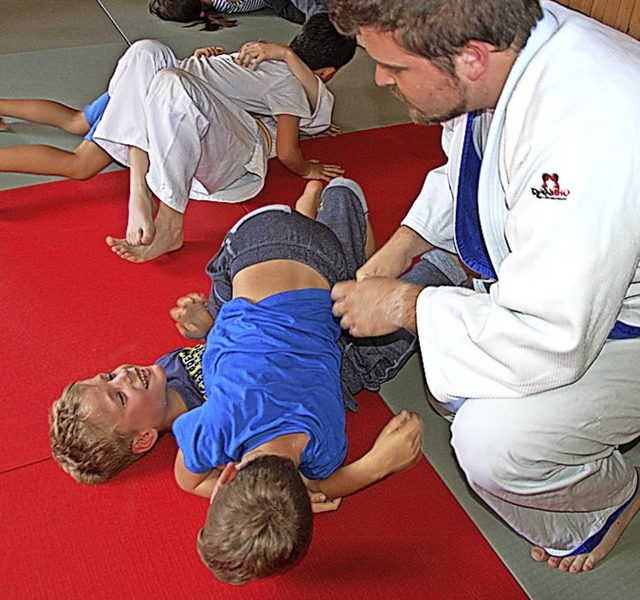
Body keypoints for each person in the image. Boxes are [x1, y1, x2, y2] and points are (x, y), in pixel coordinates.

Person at [329, 0, 640, 574]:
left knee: (494, 446)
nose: (377, 78)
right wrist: (403, 245)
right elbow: (473, 168)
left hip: (612, 317)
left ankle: (609, 497)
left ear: (471, 58)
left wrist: (406, 304)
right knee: (458, 381)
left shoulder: (588, 132)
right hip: (581, 286)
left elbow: (552, 335)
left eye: (394, 69)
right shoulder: (501, 41)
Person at [50, 178, 466, 581]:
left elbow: (322, 483)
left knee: (360, 360)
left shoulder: (325, 448)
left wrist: (374, 465)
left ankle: (436, 270)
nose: (122, 374)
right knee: (343, 349)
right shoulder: (206, 431)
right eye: (119, 396)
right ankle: (334, 205)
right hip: (258, 240)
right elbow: (187, 477)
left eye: (110, 380)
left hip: (305, 270)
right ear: (228, 476)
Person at [2, 14, 355, 261]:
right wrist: (307, 167)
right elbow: (290, 149)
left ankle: (159, 210)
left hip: (187, 139)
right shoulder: (286, 80)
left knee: (137, 77)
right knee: (148, 53)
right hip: (170, 129)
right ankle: (146, 199)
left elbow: (288, 128)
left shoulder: (263, 62)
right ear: (327, 73)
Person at [149, 0, 331, 31]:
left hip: (280, 7)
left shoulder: (212, 11)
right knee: (314, 10)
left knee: (308, 12)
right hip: (277, 3)